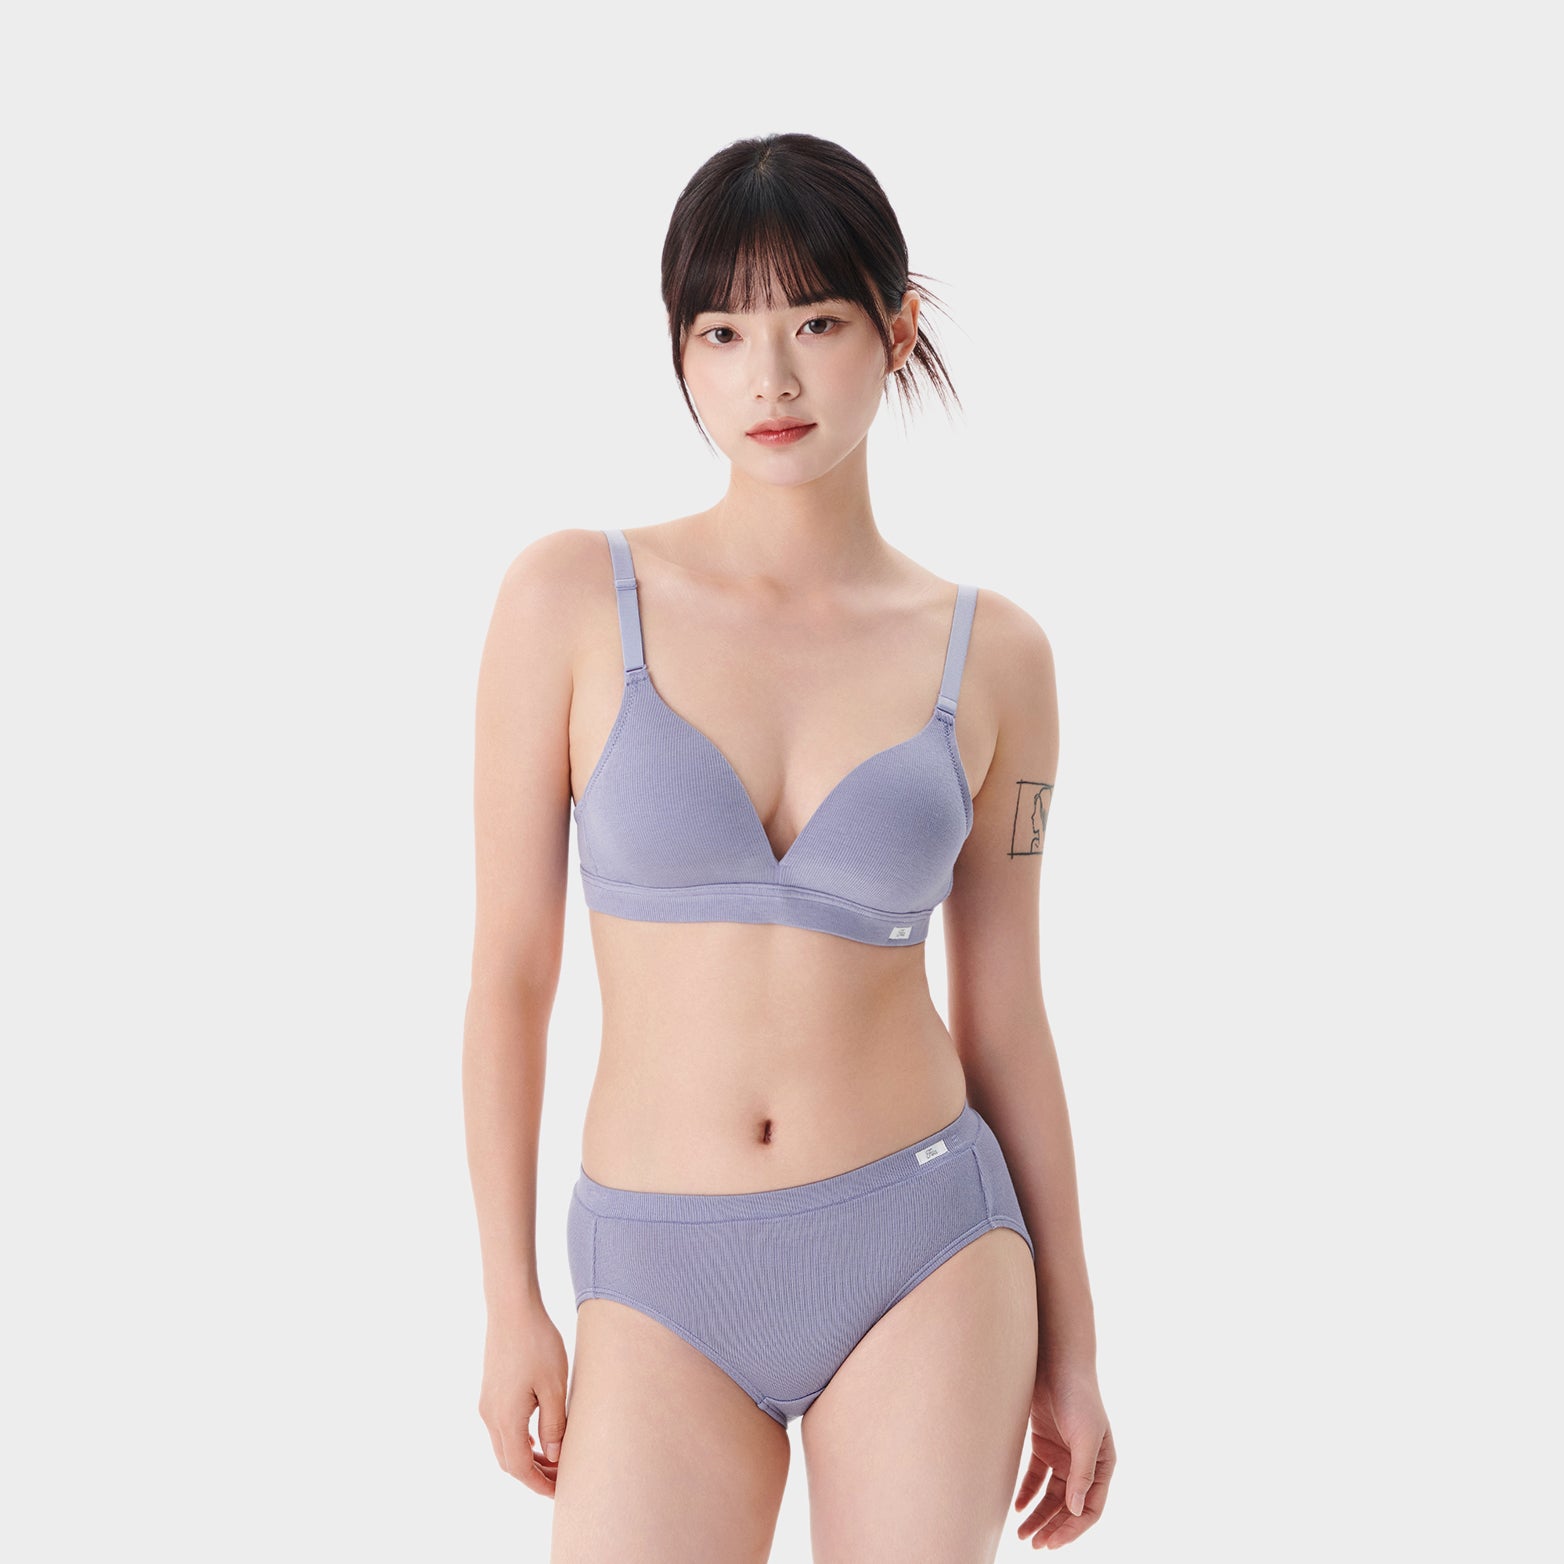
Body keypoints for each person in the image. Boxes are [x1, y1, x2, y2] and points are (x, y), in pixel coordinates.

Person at [463, 132, 1116, 1561]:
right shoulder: (570, 601)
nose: (769, 379)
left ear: (898, 328)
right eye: (722, 331)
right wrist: (510, 1298)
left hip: (925, 1244)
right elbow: (510, 974)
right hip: (655, 1268)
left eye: (815, 323)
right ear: (680, 350)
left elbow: (1009, 1015)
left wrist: (1074, 1345)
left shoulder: (997, 657)